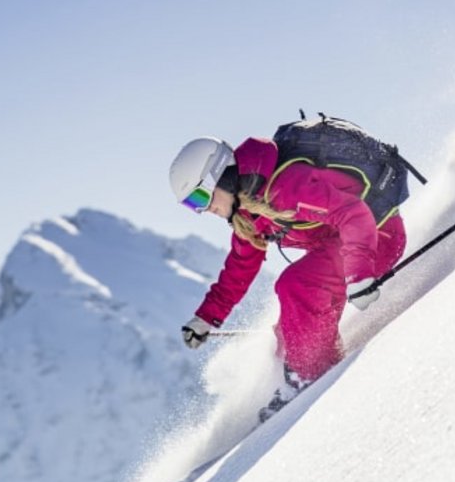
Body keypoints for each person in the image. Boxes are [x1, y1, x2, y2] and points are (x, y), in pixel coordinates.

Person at [168, 135, 406, 421]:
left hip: (377, 237)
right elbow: (240, 266)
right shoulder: (248, 210)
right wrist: (206, 318)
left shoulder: (286, 187)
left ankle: (309, 376)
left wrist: (358, 274)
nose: (204, 209)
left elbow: (354, 214)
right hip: (342, 246)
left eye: (201, 197)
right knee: (288, 333)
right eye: (193, 206)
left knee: (296, 285)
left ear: (221, 175)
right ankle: (300, 375)